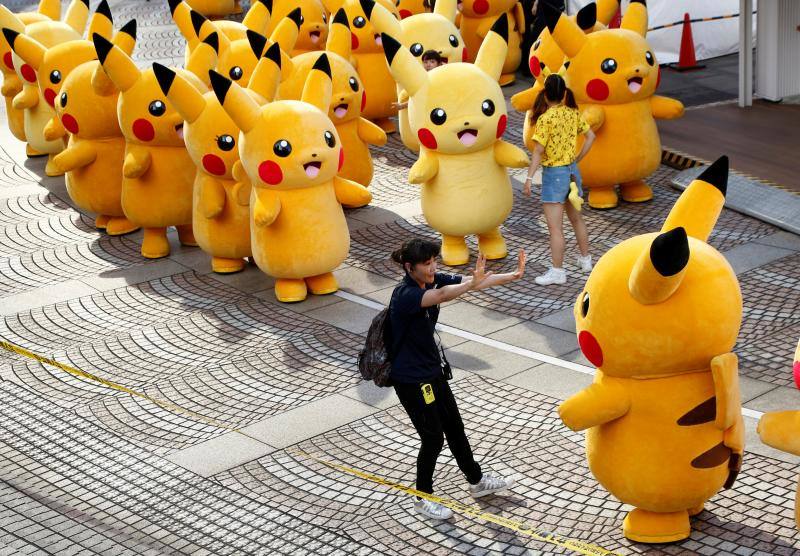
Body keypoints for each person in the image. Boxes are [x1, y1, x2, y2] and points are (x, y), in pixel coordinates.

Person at [388, 238, 526, 520]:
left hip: (432, 371)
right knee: (433, 438)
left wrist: (510, 276)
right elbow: (442, 296)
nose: (432, 268)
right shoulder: (405, 295)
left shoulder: (430, 279)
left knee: (455, 427)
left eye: (434, 262)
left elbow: (469, 280)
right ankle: (422, 498)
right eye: (426, 264)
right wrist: (470, 285)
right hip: (412, 379)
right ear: (409, 267)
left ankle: (476, 482)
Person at [523, 73, 595, 286]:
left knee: (555, 228)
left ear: (546, 95)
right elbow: (591, 137)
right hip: (573, 172)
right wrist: (578, 157)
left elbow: (538, 150)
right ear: (564, 93)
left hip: (554, 175)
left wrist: (529, 177)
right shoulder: (572, 114)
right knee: (577, 219)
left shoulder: (546, 118)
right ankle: (585, 260)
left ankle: (557, 271)